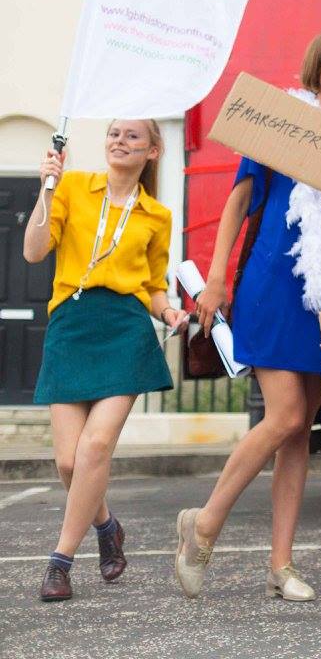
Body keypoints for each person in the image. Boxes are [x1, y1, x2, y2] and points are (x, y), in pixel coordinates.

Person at [176, 30, 321, 602]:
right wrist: (216, 277)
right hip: (274, 282)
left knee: (301, 429)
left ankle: (281, 564)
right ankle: (204, 524)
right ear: (316, 69)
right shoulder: (284, 123)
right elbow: (240, 199)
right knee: (286, 415)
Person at [24, 121, 185, 602]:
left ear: (152, 150)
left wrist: (169, 311)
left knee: (95, 448)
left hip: (124, 330)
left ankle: (60, 562)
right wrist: (46, 187)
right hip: (71, 326)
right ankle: (107, 526)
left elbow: (153, 286)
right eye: (115, 133)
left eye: (133, 136)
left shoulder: (156, 215)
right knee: (68, 461)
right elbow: (33, 252)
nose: (120, 141)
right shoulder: (72, 187)